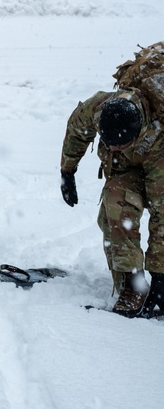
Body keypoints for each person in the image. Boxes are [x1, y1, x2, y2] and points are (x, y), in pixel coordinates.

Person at [60, 89, 164, 316]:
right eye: (109, 143)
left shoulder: (158, 142)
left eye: (120, 145)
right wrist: (67, 171)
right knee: (114, 203)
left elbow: (162, 213)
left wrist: (159, 272)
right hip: (126, 173)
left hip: (157, 173)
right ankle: (133, 283)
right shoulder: (100, 108)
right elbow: (77, 129)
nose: (113, 149)